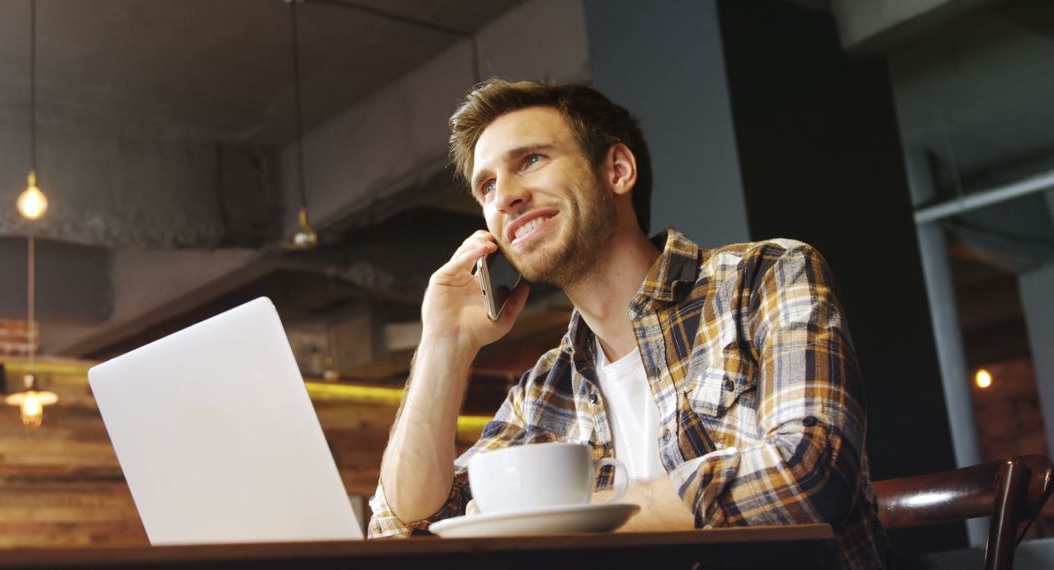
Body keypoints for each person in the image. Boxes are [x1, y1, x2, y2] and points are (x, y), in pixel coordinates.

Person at [368, 79, 889, 568]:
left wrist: (570, 520)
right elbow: (403, 529)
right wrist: (444, 344)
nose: (503, 196)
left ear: (617, 169)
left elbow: (811, 475)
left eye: (530, 160)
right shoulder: (544, 390)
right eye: (486, 186)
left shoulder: (763, 278)